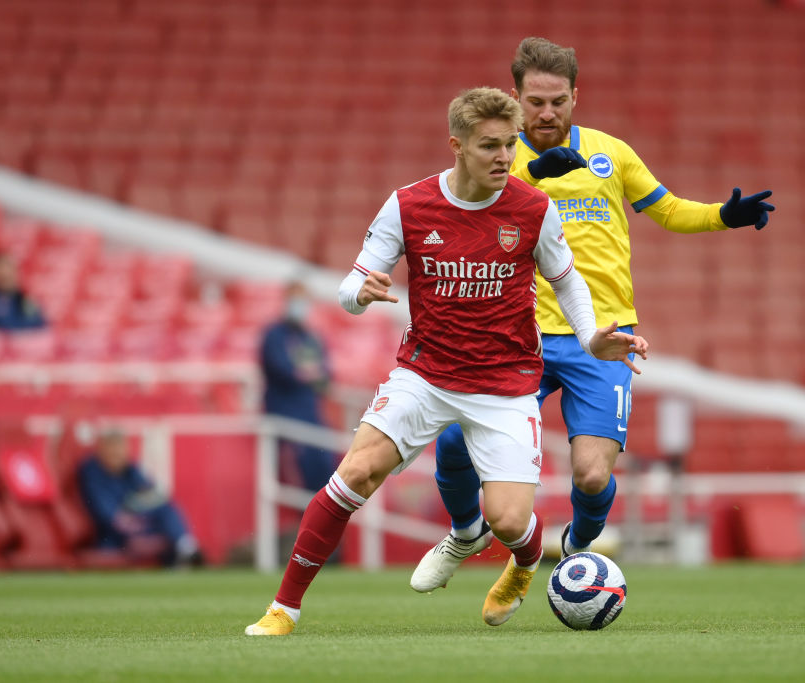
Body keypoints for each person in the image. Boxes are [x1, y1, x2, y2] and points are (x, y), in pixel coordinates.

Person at [245, 87, 647, 636]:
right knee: (356, 472)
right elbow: (350, 282)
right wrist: (358, 294)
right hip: (425, 374)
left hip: (506, 384)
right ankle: (282, 610)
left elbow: (567, 281)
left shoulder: (533, 208)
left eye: (510, 144)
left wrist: (589, 338)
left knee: (509, 521)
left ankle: (526, 563)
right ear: (456, 145)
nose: (505, 158)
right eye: (489, 146)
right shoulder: (409, 204)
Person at [411, 37, 775, 592]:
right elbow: (474, 218)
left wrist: (724, 216)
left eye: (558, 100)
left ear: (576, 96)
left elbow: (669, 210)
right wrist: (533, 177)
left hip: (602, 335)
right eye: (535, 101)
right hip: (519, 337)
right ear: (515, 97)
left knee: (592, 473)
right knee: (455, 442)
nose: (546, 112)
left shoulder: (611, 153)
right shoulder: (493, 159)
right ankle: (465, 532)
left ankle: (573, 559)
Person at [76, 429, 202, 566]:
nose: (116, 455)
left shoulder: (130, 469)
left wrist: (141, 519)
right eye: (112, 450)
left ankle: (186, 547)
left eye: (120, 450)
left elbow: (151, 494)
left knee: (166, 508)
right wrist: (133, 527)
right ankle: (183, 550)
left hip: (137, 521)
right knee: (154, 523)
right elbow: (105, 513)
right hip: (112, 534)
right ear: (101, 450)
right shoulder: (92, 472)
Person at [259, 281, 335, 490]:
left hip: (310, 411)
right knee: (304, 458)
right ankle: (305, 513)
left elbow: (326, 374)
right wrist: (305, 373)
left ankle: (322, 510)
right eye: (295, 300)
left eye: (303, 301)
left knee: (327, 456)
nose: (300, 306)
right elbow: (281, 369)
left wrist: (310, 374)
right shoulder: (274, 335)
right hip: (283, 409)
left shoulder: (310, 337)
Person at [0, 253, 45, 330]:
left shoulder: (26, 300)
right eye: (3, 277)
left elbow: (39, 325)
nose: (7, 279)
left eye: (10, 275)